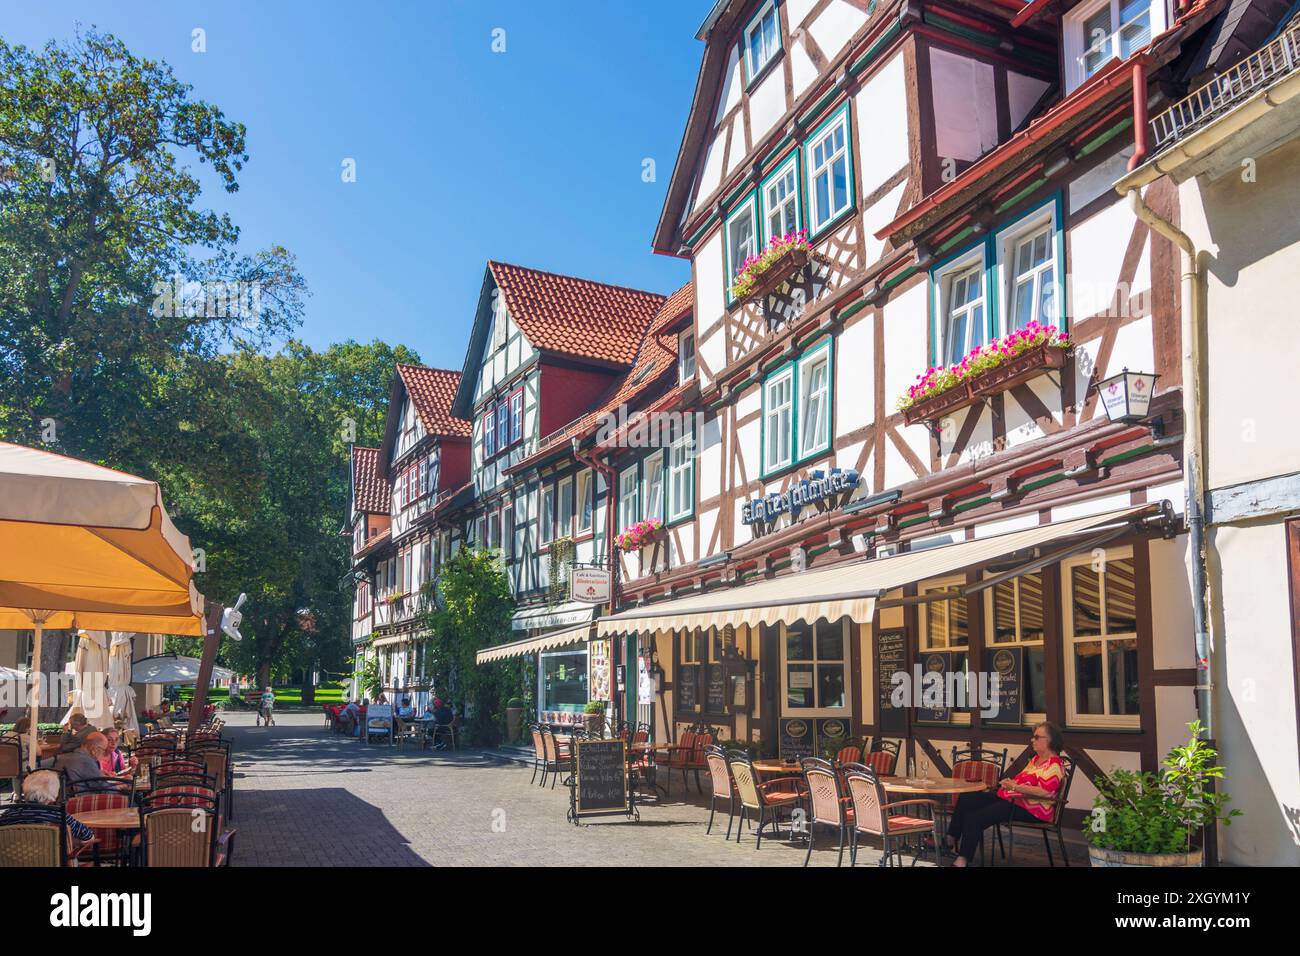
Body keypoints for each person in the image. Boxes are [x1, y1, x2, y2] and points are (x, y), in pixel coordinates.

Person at [946, 721, 1066, 867]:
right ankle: (950, 839)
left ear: (1049, 741)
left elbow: (1046, 792)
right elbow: (1022, 780)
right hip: (1013, 799)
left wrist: (1015, 786)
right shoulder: (1035, 760)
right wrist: (1010, 783)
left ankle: (962, 860)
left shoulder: (1054, 765)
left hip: (1032, 808)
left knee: (975, 817)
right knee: (967, 797)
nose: (1032, 740)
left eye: (1036, 737)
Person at [1, 770, 94, 844]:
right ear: (54, 792)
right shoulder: (58, 815)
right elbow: (88, 836)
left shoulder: (9, 814)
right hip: (52, 861)